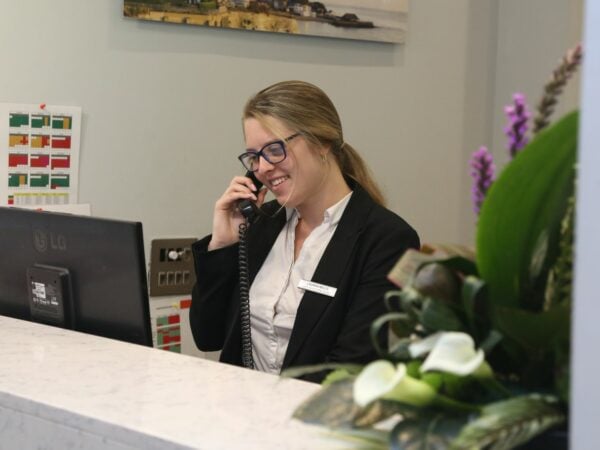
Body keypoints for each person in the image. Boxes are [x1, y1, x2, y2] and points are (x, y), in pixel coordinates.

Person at [190, 80, 419, 382]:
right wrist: (223, 243)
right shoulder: (260, 225)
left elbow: (353, 365)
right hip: (242, 414)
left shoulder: (389, 240)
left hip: (313, 420)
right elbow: (208, 336)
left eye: (274, 149)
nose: (262, 168)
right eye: (254, 157)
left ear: (322, 141)